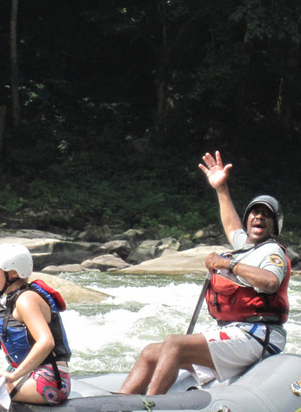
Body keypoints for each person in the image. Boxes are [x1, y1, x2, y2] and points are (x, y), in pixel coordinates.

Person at [117, 150, 290, 396]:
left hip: (259, 335)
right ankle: (121, 406)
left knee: (175, 344)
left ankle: (151, 406)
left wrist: (229, 265)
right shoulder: (245, 246)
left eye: (266, 215)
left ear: (274, 226)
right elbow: (231, 225)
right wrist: (221, 188)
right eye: (255, 212)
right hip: (236, 331)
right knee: (150, 352)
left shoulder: (272, 251)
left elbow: (270, 282)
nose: (259, 217)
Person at [0, 243, 73, 405]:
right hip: (32, 374)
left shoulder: (26, 300)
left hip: (51, 382)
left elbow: (46, 342)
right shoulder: (13, 299)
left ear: (14, 272)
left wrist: (14, 376)